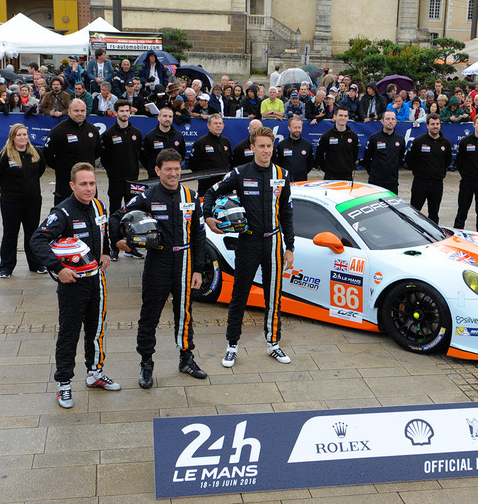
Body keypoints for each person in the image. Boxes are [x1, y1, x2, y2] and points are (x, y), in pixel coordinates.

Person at [110, 149, 207, 388]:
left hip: (185, 262)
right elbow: (116, 217)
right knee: (150, 315)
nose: (173, 174)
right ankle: (146, 363)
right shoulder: (148, 196)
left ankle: (186, 358)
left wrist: (198, 269)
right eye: (168, 169)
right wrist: (118, 241)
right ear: (157, 171)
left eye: (177, 169)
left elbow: (199, 235)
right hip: (158, 262)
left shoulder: (192, 197)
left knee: (184, 314)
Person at [202, 126, 295, 368]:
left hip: (274, 242)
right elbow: (210, 193)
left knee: (273, 296)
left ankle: (273, 343)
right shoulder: (240, 173)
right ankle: (232, 345)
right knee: (239, 295)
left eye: (269, 146)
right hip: (248, 241)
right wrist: (209, 217)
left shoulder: (283, 174)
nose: (266, 150)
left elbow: (287, 213)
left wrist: (290, 246)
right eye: (261, 146)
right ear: (252, 148)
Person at [30, 163, 117, 409]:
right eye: (83, 184)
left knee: (96, 330)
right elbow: (37, 240)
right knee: (69, 334)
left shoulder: (99, 206)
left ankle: (95, 373)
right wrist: (58, 268)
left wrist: (107, 252)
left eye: (92, 183)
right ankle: (64, 384)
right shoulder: (63, 212)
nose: (89, 188)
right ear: (72, 185)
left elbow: (103, 233)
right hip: (73, 284)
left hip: (97, 280)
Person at [0, 124, 47, 278]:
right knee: (10, 234)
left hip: (33, 201)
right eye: (19, 135)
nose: (23, 138)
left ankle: (36, 264)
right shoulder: (3, 155)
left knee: (32, 234)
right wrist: (10, 187)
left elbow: (40, 170)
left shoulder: (36, 153)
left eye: (25, 134)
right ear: (13, 137)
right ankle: (6, 267)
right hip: (11, 202)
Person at [100, 99, 142, 261]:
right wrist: (113, 173)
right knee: (115, 215)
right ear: (116, 112)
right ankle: (114, 248)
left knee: (133, 215)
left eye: (127, 111)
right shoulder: (109, 134)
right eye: (121, 111)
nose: (124, 114)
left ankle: (131, 247)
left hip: (133, 182)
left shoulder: (136, 133)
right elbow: (105, 159)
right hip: (116, 181)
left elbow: (139, 154)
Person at [43, 99, 101, 206]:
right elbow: (47, 155)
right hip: (66, 186)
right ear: (69, 111)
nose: (80, 113)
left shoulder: (93, 130)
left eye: (82, 111)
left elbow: (97, 152)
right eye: (76, 110)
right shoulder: (58, 131)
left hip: (88, 188)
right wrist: (63, 168)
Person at [405, 113, 452, 224]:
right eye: (432, 124)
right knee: (414, 212)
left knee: (434, 213)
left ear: (440, 125)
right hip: (420, 183)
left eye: (437, 124)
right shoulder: (418, 141)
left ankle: (434, 237)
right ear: (427, 125)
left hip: (437, 184)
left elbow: (447, 161)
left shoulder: (446, 143)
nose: (435, 126)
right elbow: (409, 160)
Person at [189, 113, 232, 195]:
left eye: (220, 123)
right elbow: (193, 164)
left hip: (224, 184)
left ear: (223, 126)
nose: (218, 126)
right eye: (215, 123)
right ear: (209, 126)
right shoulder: (201, 142)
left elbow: (230, 161)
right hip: (206, 185)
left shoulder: (226, 142)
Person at [363, 110, 405, 194]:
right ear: (382, 121)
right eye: (388, 119)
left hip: (392, 181)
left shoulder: (400, 139)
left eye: (393, 119)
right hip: (376, 181)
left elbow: (400, 158)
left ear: (396, 122)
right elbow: (366, 158)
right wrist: (373, 173)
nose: (390, 121)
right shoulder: (374, 138)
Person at [315, 106, 360, 180]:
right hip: (330, 177)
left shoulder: (354, 136)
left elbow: (355, 155)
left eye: (345, 116)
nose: (343, 118)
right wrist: (327, 170)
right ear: (335, 116)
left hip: (347, 176)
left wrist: (348, 168)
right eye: (340, 115)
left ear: (348, 117)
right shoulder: (326, 136)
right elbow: (319, 156)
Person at [141, 106, 186, 178]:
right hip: (155, 177)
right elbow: (144, 157)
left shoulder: (179, 136)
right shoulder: (150, 136)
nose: (167, 119)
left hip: (173, 177)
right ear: (159, 117)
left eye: (170, 116)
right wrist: (152, 169)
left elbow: (182, 155)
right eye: (165, 116)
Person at [274, 115, 314, 182]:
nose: (297, 130)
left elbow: (310, 163)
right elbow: (277, 163)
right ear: (289, 128)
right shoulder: (281, 145)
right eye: (295, 127)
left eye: (299, 127)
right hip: (285, 181)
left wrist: (302, 173)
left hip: (301, 182)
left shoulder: (307, 145)